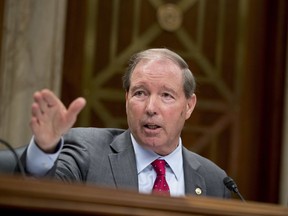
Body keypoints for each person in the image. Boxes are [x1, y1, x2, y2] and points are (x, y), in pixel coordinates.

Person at [22, 48, 231, 198]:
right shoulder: (86, 151)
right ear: (126, 99)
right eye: (140, 93)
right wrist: (45, 149)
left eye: (166, 95)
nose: (151, 107)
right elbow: (40, 194)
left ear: (189, 106)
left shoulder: (215, 181)